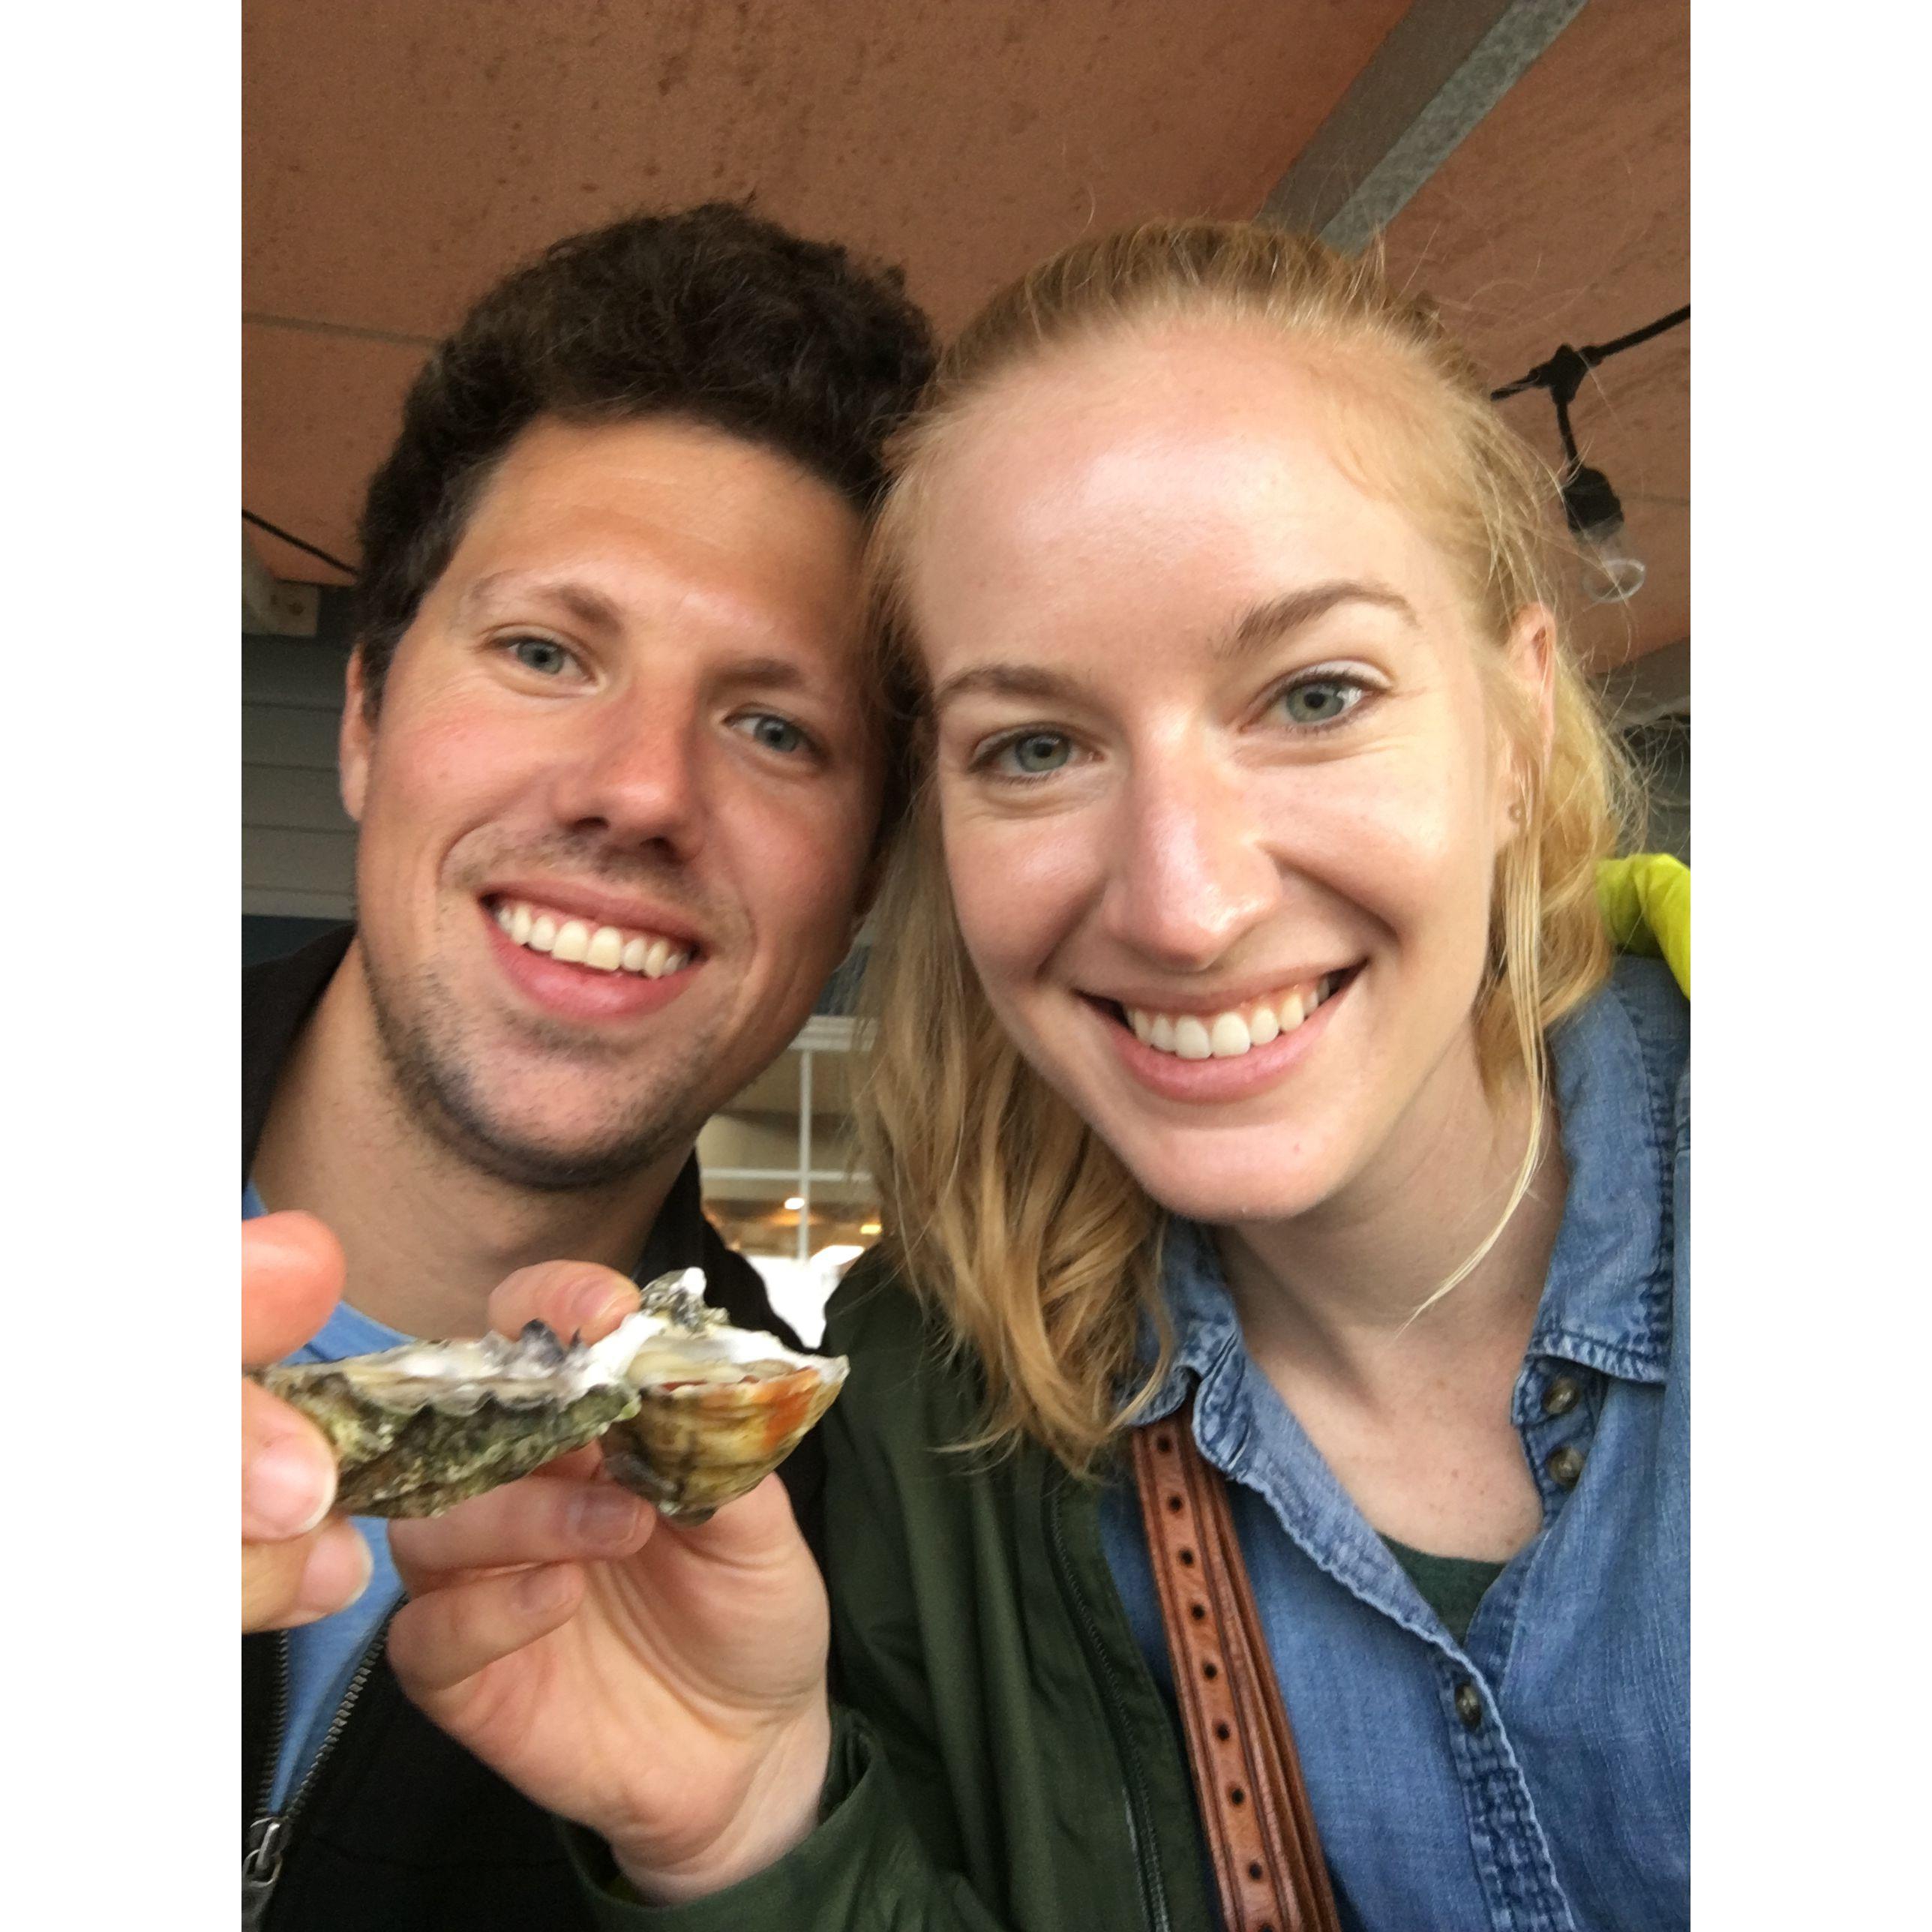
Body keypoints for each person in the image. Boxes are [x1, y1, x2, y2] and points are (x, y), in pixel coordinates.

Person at [378, 220, 1690, 1930]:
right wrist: (760, 1835)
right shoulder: (920, 1432)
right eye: (1038, 746)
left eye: (1313, 695)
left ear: (1518, 728)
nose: (1185, 903)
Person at [240, 202, 934, 1930]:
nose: (639, 790)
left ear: (862, 876)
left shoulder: (848, 1552)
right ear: (364, 715)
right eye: (546, 651)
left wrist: (742, 1861)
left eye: (775, 726)